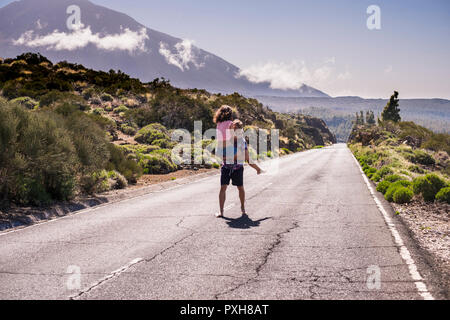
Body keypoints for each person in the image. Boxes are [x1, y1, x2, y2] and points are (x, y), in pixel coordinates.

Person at [217, 119, 262, 218]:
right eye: (233, 129)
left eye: (238, 130)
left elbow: (246, 158)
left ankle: (242, 208)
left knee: (240, 188)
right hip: (226, 167)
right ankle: (221, 211)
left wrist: (257, 168)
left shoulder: (242, 141)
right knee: (223, 187)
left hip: (237, 168)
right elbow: (220, 154)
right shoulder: (226, 139)